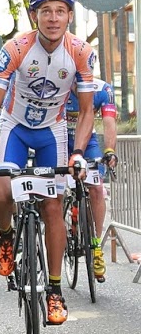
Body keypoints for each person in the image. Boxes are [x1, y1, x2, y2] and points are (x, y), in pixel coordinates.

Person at [0, 0, 96, 326]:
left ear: (70, 16)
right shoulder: (15, 48)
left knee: (52, 205)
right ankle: (6, 235)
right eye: (46, 11)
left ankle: (55, 290)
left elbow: (87, 110)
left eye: (60, 11)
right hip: (14, 125)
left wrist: (77, 153)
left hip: (51, 131)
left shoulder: (80, 52)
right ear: (34, 16)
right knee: (1, 190)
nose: (53, 18)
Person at [64, 78, 117, 282]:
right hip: (61, 138)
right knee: (55, 193)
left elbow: (109, 122)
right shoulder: (60, 85)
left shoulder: (102, 89)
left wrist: (110, 151)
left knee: (96, 188)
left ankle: (96, 246)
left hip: (88, 141)